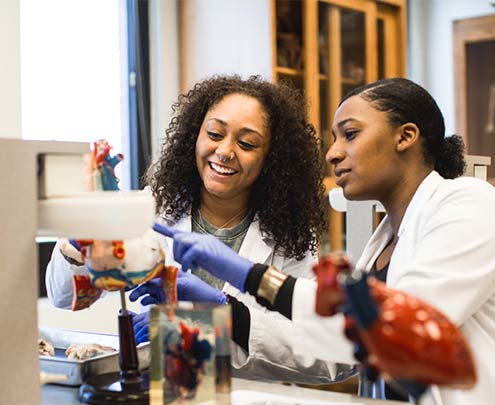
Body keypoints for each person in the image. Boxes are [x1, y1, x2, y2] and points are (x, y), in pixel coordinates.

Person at [152, 78, 495, 405]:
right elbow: (338, 347)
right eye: (335, 138)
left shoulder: (470, 201)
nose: (332, 154)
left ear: (405, 136)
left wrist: (250, 275)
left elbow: (401, 326)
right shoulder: (385, 241)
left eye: (350, 135)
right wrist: (227, 313)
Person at [45, 75, 348, 384]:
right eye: (215, 133)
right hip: (163, 390)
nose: (226, 151)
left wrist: (214, 318)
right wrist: (76, 245)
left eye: (246, 143)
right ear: (195, 136)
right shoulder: (150, 211)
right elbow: (62, 295)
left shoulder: (289, 238)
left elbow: (323, 356)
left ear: (271, 158)